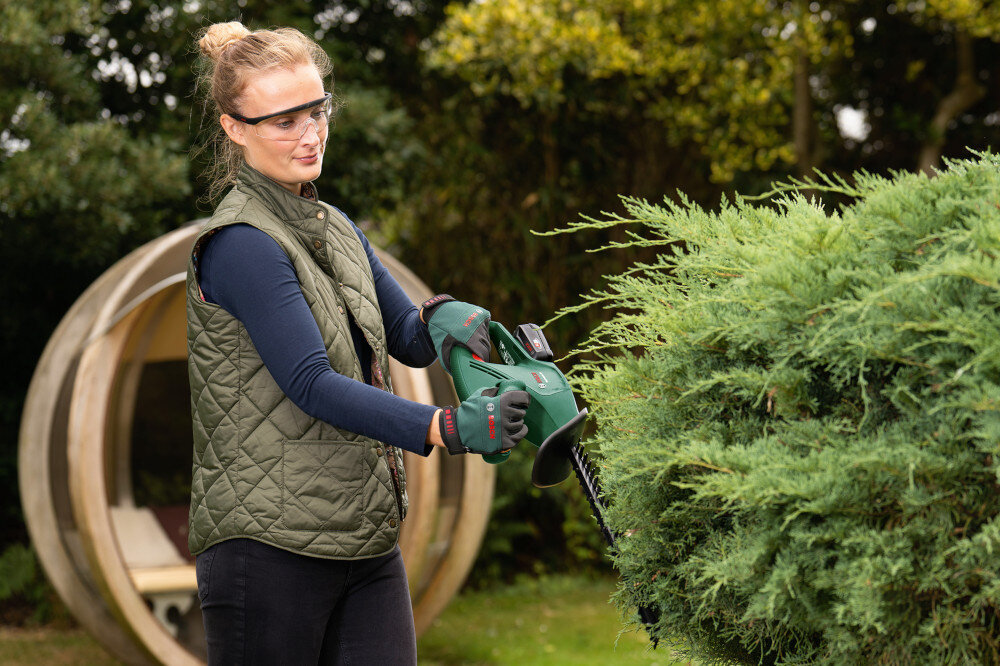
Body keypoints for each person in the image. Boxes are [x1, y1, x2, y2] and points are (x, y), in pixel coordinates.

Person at [186, 21, 530, 665]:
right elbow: (311, 383)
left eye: (316, 111)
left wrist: (444, 318)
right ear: (235, 128)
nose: (310, 133)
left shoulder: (337, 228)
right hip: (267, 548)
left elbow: (407, 338)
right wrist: (445, 427)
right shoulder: (241, 245)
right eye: (284, 121)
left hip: (364, 539)